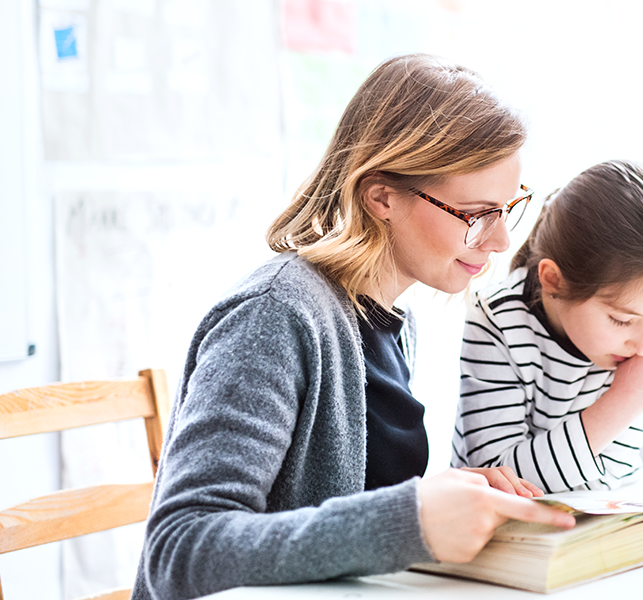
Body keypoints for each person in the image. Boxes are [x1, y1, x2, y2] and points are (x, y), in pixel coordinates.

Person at [132, 53, 574, 600]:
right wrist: (407, 519)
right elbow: (180, 551)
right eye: (475, 213)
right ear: (382, 196)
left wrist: (441, 504)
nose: (501, 240)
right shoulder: (274, 316)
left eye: (509, 208)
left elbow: (349, 515)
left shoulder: (390, 318)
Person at [450, 160, 643, 493]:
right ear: (553, 281)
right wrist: (623, 402)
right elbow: (498, 481)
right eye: (621, 320)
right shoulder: (495, 319)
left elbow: (611, 477)